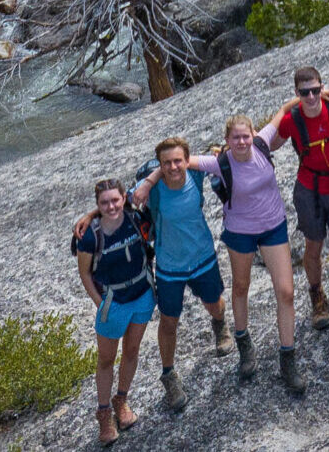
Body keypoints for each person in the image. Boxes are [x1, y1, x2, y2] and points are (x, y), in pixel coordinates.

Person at [184, 114, 306, 394]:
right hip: (240, 231)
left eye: (245, 136)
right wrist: (150, 178)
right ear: (227, 141)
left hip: (273, 227)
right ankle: (244, 344)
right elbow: (180, 161)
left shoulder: (263, 144)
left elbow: (284, 109)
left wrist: (317, 93)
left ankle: (288, 358)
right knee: (240, 287)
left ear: (253, 134)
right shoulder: (219, 163)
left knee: (286, 292)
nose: (242, 141)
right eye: (235, 138)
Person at [129, 137, 233, 412]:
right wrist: (152, 179)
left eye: (178, 160)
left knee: (214, 304)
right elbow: (119, 202)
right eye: (166, 163)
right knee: (169, 321)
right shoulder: (152, 190)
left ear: (187, 159)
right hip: (169, 266)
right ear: (159, 166)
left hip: (201, 257)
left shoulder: (196, 175)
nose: (174, 167)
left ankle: (220, 324)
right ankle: (169, 374)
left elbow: (227, 160)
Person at [269, 67, 329, 331]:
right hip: (309, 189)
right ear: (297, 93)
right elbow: (269, 143)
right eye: (304, 92)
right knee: (313, 246)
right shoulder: (291, 121)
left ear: (322, 87)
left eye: (316, 90)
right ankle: (317, 294)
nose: (311, 96)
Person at [73, 177, 155, 444]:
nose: (111, 206)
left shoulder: (134, 217)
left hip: (142, 294)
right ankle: (104, 414)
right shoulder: (90, 236)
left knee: (132, 351)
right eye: (104, 203)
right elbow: (84, 273)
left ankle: (121, 401)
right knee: (106, 359)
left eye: (115, 200)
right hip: (113, 302)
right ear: (97, 205)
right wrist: (100, 304)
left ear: (123, 198)